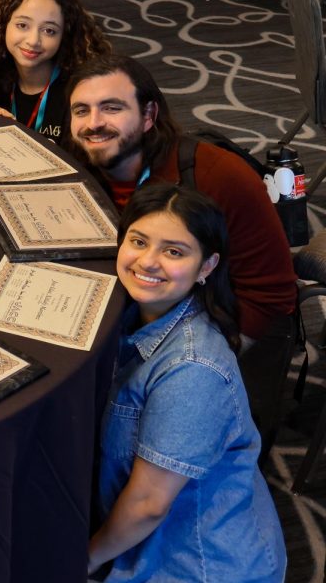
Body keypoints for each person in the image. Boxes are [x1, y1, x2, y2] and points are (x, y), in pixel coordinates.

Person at [88, 182, 285, 582]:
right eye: (139, 241)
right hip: (159, 537)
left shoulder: (193, 368)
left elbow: (148, 504)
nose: (148, 261)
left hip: (197, 564)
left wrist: (83, 560)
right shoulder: (137, 313)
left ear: (207, 267)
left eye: (174, 251)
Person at [66, 54, 296, 343]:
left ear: (148, 115)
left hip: (201, 328)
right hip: (135, 306)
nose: (94, 123)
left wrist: (202, 363)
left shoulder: (218, 176)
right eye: (81, 111)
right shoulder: (78, 164)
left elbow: (272, 297)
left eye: (112, 108)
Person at [0, 0, 110, 142]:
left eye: (49, 31)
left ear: (64, 37)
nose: (33, 40)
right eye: (22, 25)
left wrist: (16, 134)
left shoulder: (77, 95)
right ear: (3, 26)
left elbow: (81, 162)